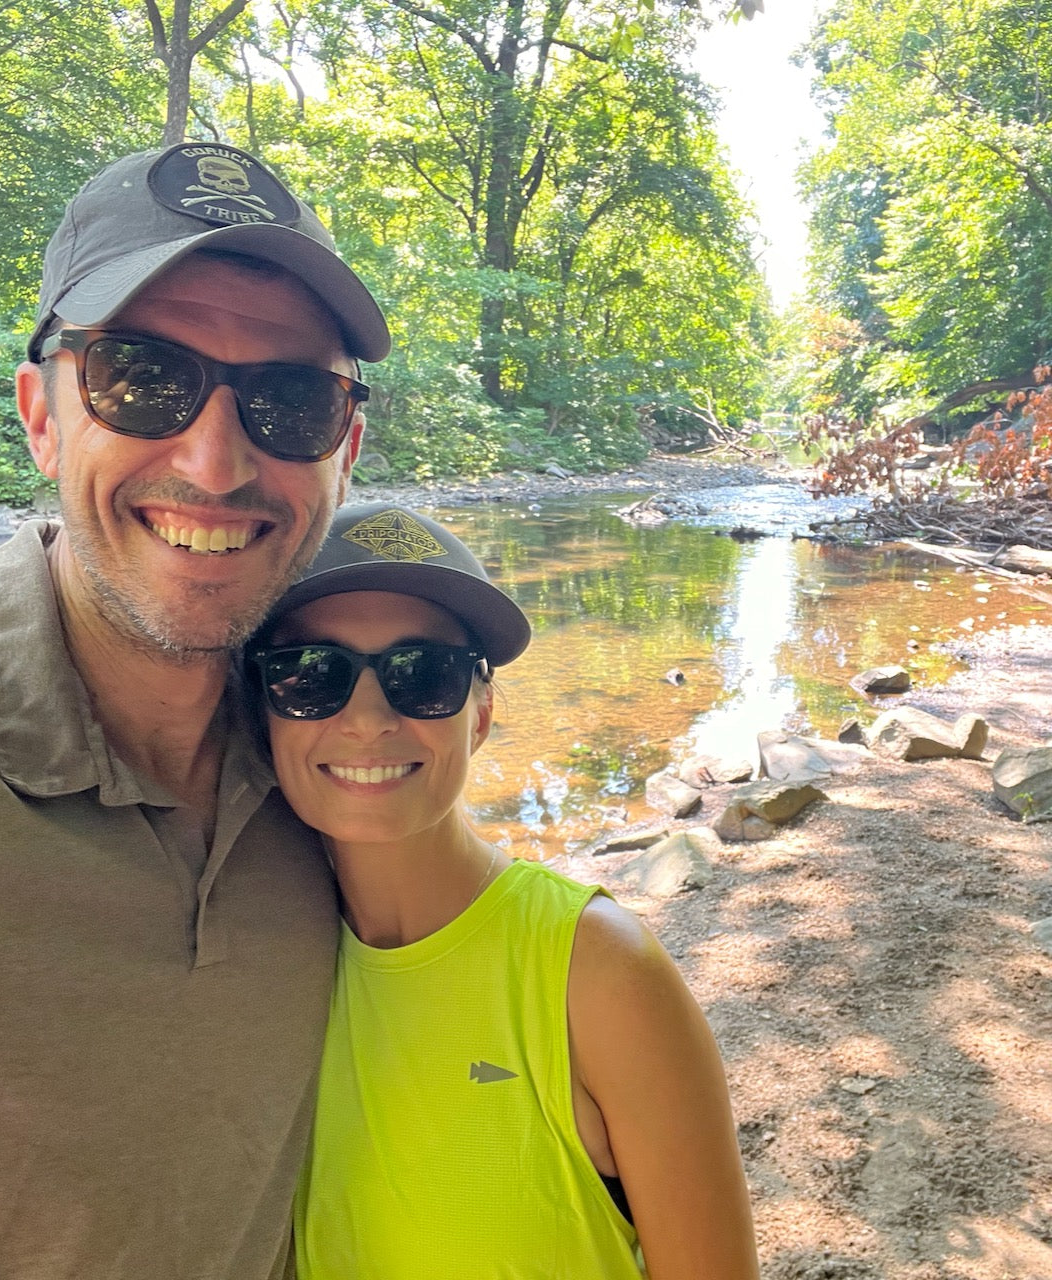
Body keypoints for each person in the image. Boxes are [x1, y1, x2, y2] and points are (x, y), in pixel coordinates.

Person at [0, 140, 388, 1278]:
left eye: (288, 400)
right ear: (42, 414)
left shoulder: (338, 745)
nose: (213, 462)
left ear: (343, 449)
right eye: (142, 378)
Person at [244, 504, 761, 1279]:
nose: (367, 719)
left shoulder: (596, 972)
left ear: (481, 713)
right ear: (263, 708)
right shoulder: (252, 962)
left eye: (424, 675)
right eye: (311, 675)